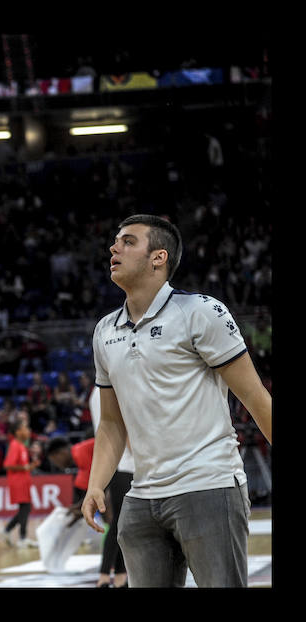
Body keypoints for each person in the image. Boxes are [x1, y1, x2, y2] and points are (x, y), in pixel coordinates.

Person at [81, 214, 272, 588]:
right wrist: (95, 485)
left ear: (159, 257)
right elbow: (111, 423)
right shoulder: (104, 330)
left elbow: (253, 395)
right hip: (141, 498)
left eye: (128, 241)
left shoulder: (200, 311)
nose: (113, 247)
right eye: (115, 241)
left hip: (208, 486)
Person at [89, 385, 133, 588]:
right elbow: (125, 426)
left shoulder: (95, 393)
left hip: (111, 463)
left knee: (119, 522)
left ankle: (119, 574)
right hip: (125, 462)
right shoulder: (114, 388)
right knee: (121, 523)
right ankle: (105, 575)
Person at [0, 419, 40, 548]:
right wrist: (26, 468)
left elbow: (23, 466)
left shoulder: (21, 446)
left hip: (23, 481)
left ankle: (7, 531)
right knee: (25, 508)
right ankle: (22, 537)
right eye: (25, 428)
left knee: (25, 509)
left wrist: (31, 466)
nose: (28, 431)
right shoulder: (15, 445)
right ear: (17, 432)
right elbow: (8, 465)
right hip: (18, 482)